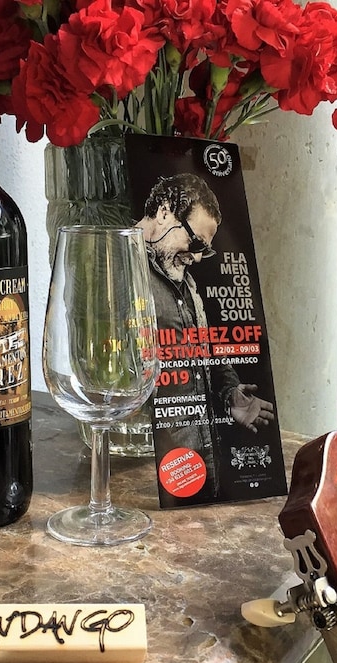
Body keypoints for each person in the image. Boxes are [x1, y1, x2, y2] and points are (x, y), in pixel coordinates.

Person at [135, 173, 276, 498]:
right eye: (195, 243)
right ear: (165, 211)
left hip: (200, 467)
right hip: (144, 474)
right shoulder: (118, 264)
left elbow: (202, 349)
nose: (197, 258)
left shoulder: (182, 277)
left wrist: (230, 392)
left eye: (205, 250)